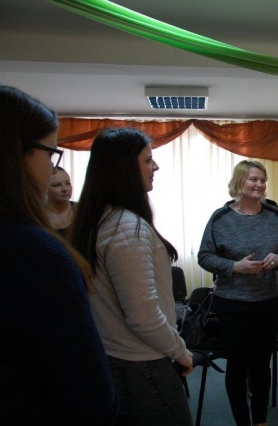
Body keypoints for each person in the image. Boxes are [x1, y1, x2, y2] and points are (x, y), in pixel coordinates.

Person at [0, 83, 118, 424]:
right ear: (13, 154)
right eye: (50, 154)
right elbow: (90, 397)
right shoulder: (34, 252)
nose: (52, 170)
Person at [69, 127, 193, 426]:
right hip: (142, 364)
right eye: (148, 160)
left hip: (121, 357)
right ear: (124, 168)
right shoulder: (126, 226)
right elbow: (142, 316)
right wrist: (180, 351)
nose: (155, 166)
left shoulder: (102, 218)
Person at [198, 159, 278, 426]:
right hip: (232, 304)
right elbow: (204, 257)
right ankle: (242, 421)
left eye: (263, 180)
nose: (260, 184)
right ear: (239, 182)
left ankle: (260, 420)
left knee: (262, 365)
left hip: (268, 302)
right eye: (253, 179)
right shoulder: (220, 218)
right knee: (237, 366)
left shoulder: (273, 215)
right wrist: (234, 267)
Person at [46, 166, 76, 237]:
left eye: (68, 183)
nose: (65, 189)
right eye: (57, 185)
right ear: (45, 188)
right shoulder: (37, 215)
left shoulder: (82, 210)